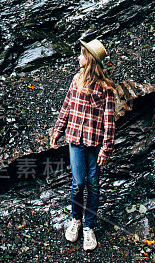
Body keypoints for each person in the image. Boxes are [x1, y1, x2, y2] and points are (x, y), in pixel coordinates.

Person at [50, 38, 117, 251]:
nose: (78, 57)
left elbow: (109, 121)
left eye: (81, 54)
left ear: (88, 60)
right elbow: (67, 107)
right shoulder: (76, 80)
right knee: (78, 182)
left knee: (94, 183)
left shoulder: (106, 88)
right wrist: (57, 132)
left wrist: (106, 148)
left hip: (95, 142)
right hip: (75, 140)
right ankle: (76, 219)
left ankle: (89, 226)